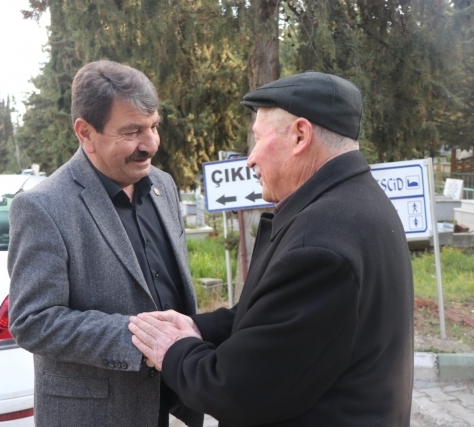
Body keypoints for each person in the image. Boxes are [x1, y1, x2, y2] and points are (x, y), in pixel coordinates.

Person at [129, 71, 415, 426]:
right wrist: (199, 327)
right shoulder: (358, 202)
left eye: (259, 139)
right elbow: (277, 319)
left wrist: (174, 350)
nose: (250, 159)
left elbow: (238, 390)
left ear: (300, 136)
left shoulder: (321, 245)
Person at [7, 60, 203, 427]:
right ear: (85, 133)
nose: (151, 145)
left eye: (154, 126)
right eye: (132, 132)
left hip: (180, 404)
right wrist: (144, 341)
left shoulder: (163, 185)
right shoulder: (42, 207)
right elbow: (32, 321)